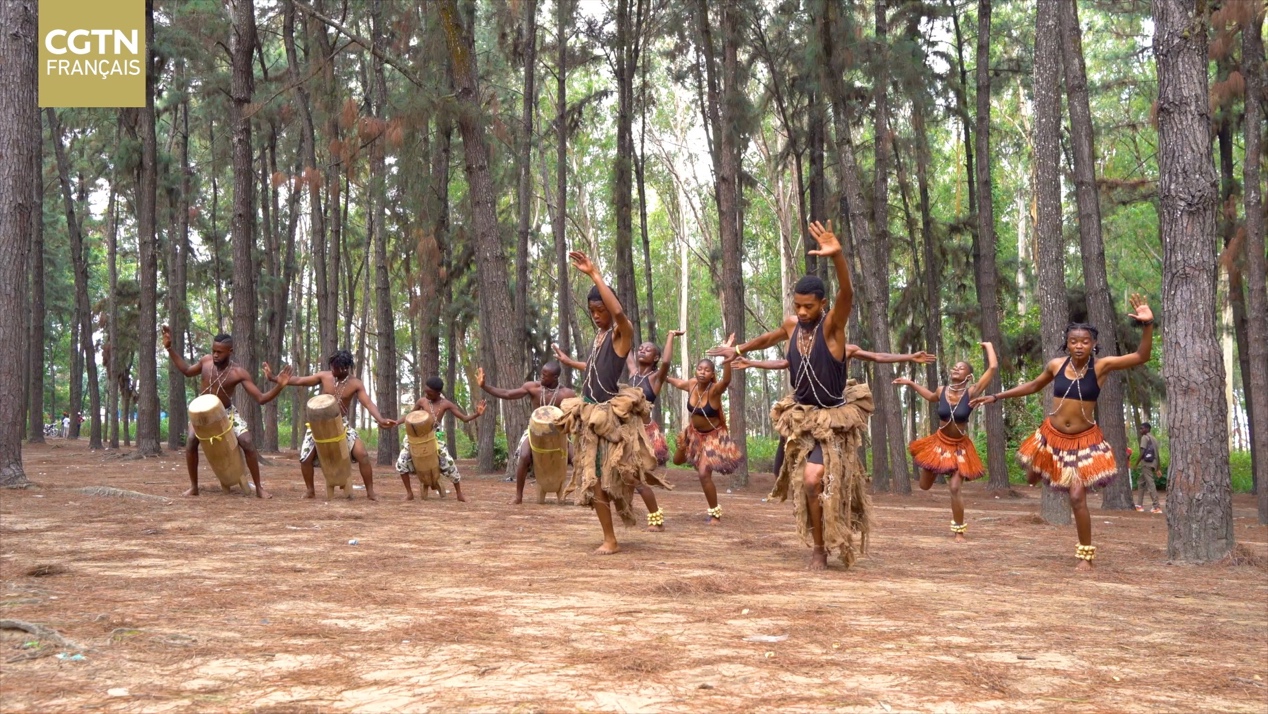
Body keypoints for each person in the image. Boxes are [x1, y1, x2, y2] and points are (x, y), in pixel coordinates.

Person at [709, 220, 871, 570]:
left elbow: (848, 295)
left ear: (822, 304)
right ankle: (817, 546)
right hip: (802, 416)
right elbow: (769, 338)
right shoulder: (792, 325)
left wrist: (839, 256)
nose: (801, 312)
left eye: (808, 307)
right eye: (797, 305)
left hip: (833, 419)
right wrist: (738, 349)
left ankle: (830, 535)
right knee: (807, 484)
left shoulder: (832, 328)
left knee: (815, 480)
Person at [971, 295, 1155, 569]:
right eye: (1073, 341)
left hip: (1083, 442)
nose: (1079, 346)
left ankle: (1085, 555)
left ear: (1093, 344)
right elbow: (1033, 386)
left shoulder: (1101, 366)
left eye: (1084, 342)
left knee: (1077, 497)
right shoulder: (1056, 365)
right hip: (1051, 435)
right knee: (1032, 475)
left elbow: (1142, 356)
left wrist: (1148, 325)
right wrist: (996, 397)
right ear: (1066, 343)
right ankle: (1040, 465)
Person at [554, 250, 668, 554]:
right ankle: (610, 538)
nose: (596, 315)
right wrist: (569, 361)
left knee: (617, 479)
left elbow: (620, 315)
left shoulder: (622, 335)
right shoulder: (599, 337)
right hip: (589, 414)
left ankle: (628, 528)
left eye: (600, 309)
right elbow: (594, 368)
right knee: (594, 482)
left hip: (608, 418)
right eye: (592, 310)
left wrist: (595, 275)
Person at [732, 346, 937, 477]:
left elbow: (876, 356)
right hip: (803, 405)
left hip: (833, 408)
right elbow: (783, 363)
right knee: (785, 439)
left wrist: (909, 356)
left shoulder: (845, 349)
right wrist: (752, 362)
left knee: (830, 443)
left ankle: (837, 477)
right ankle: (786, 472)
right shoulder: (804, 349)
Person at [554, 328, 682, 530]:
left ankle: (656, 519)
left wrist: (670, 336)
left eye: (648, 350)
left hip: (642, 434)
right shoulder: (632, 374)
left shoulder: (656, 378)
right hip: (624, 432)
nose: (642, 350)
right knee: (619, 474)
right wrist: (570, 362)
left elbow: (666, 363)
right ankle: (621, 509)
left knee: (635, 478)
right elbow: (619, 351)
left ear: (655, 357)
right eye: (641, 348)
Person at [162, 326, 292, 498]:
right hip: (202, 414)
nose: (215, 355)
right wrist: (169, 348)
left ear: (230, 351)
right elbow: (186, 371)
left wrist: (279, 387)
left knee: (247, 442)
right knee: (192, 440)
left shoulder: (238, 373)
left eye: (220, 352)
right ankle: (194, 487)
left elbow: (260, 398)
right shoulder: (206, 362)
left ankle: (259, 487)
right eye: (214, 351)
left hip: (226, 413)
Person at [892, 342, 998, 541]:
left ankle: (959, 531)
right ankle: (936, 470)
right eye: (954, 367)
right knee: (924, 486)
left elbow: (992, 368)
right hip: (938, 445)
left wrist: (989, 346)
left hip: (960, 448)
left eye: (961, 367)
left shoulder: (972, 392)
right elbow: (931, 397)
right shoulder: (942, 390)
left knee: (955, 488)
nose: (956, 369)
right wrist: (911, 383)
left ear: (969, 376)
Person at [264, 350, 396, 501]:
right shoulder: (324, 376)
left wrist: (380, 419)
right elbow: (299, 380)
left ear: (345, 368)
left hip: (341, 424)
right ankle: (310, 490)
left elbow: (368, 403)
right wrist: (274, 378)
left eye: (336, 368)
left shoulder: (355, 384)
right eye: (331, 367)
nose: (332, 370)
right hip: (318, 425)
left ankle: (370, 492)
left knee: (363, 455)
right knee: (305, 458)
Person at [476, 363, 575, 505]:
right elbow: (507, 394)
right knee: (524, 455)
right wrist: (484, 386)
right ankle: (518, 497)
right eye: (541, 373)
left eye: (545, 375)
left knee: (577, 459)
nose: (541, 377)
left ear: (555, 377)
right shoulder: (533, 388)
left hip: (559, 434)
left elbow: (576, 415)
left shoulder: (567, 394)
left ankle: (585, 494)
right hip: (534, 432)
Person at [664, 351, 742, 524]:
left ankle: (715, 514)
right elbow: (678, 383)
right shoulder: (691, 384)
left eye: (707, 370)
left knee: (703, 473)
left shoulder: (714, 390)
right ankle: (697, 457)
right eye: (700, 369)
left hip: (713, 436)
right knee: (676, 461)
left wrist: (728, 359)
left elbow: (727, 381)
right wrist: (664, 376)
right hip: (693, 434)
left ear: (712, 374)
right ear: (695, 371)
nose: (702, 372)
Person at [395, 377, 485, 502]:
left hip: (433, 436)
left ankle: (459, 494)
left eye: (430, 393)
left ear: (438, 393)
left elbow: (464, 418)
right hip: (416, 438)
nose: (426, 395)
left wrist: (477, 414)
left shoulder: (446, 404)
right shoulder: (422, 402)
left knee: (448, 462)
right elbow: (409, 416)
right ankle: (409, 493)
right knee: (401, 463)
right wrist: (396, 422)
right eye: (425, 392)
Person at [1134, 422, 1162, 513]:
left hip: (1146, 463)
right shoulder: (1154, 439)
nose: (1140, 430)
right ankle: (1139, 505)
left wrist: (1136, 463)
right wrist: (1158, 467)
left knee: (1150, 484)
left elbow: (1142, 452)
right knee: (1141, 482)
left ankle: (1156, 506)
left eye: (1142, 428)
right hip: (1153, 463)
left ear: (1147, 429)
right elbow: (1157, 454)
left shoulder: (1144, 438)